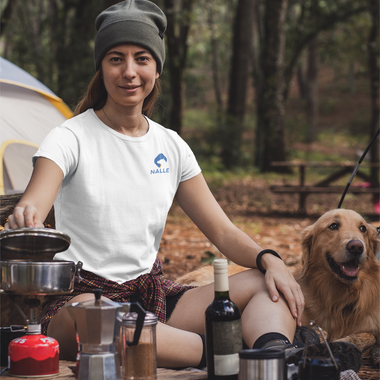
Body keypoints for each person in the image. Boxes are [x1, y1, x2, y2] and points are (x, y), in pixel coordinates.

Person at [5, 0, 307, 368]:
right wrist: (26, 217)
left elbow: (224, 233)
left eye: (141, 58)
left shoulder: (171, 146)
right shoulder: (69, 137)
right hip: (80, 303)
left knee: (265, 284)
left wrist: (269, 259)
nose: (129, 71)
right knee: (102, 319)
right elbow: (35, 201)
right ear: (101, 67)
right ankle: (224, 356)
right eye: (116, 58)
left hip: (153, 299)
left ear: (157, 69)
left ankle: (276, 359)